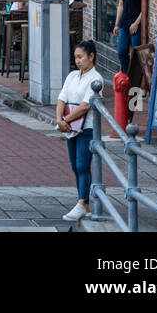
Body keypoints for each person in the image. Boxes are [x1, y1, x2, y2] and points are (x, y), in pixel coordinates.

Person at [56, 39, 102, 222]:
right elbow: (62, 98)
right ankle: (85, 204)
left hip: (86, 128)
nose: (78, 61)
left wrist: (65, 120)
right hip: (69, 128)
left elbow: (85, 106)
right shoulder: (72, 76)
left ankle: (82, 202)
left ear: (92, 56)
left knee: (83, 165)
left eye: (81, 57)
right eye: (76, 57)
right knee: (75, 166)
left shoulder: (96, 79)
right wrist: (59, 120)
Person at [113, 0, 143, 74]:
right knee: (121, 51)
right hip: (124, 24)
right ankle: (126, 75)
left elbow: (144, 7)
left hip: (136, 24)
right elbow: (120, 5)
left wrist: (136, 23)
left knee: (135, 54)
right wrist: (117, 24)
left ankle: (135, 80)